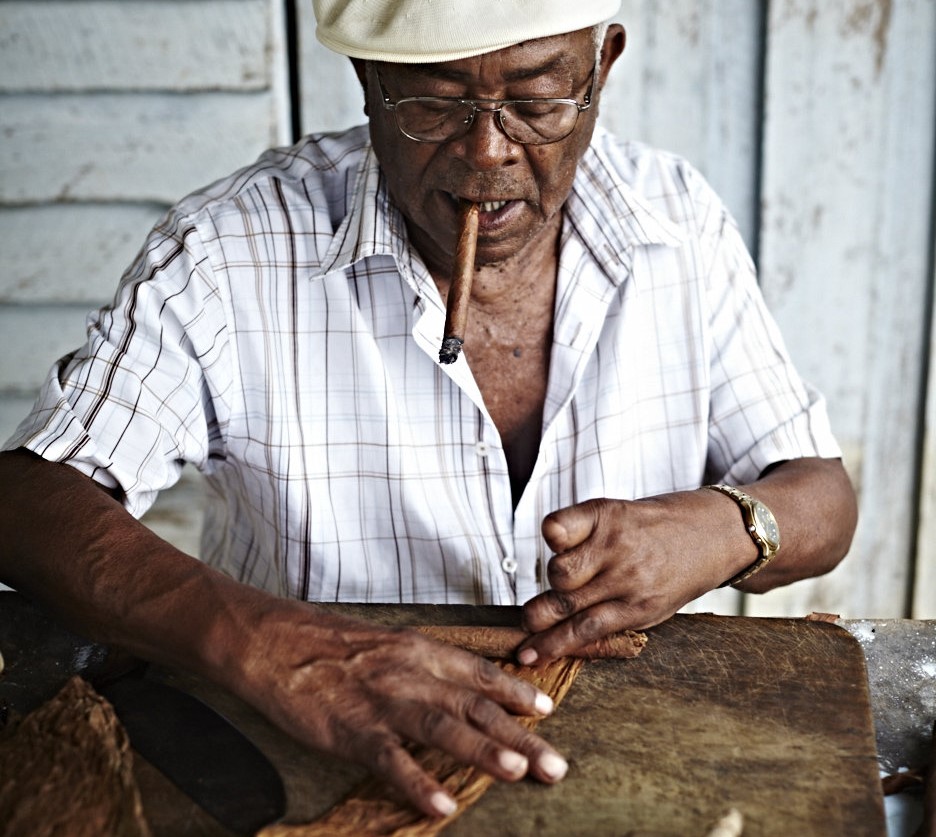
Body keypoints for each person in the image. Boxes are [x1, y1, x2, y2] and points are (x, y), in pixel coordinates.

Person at [0, 0, 857, 819]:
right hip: (311, 758)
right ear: (369, 82)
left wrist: (724, 526)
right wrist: (268, 642)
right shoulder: (227, 255)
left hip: (630, 771)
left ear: (603, 67)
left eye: (535, 98)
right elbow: (28, 500)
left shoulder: (679, 223)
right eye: (434, 102)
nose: (488, 153)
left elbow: (823, 498)